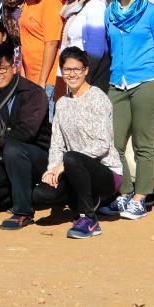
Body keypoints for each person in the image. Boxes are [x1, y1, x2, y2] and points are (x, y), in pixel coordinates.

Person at [100, 0, 154, 221]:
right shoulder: (110, 12)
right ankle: (125, 192)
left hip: (147, 83)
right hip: (117, 84)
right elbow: (110, 46)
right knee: (113, 143)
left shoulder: (151, 12)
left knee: (143, 143)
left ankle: (141, 197)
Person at [32, 47, 123, 239]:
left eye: (77, 69)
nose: (72, 74)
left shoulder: (98, 98)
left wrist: (64, 164)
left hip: (105, 172)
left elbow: (102, 144)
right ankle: (82, 199)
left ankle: (88, 219)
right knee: (41, 196)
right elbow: (57, 143)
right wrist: (52, 169)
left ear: (86, 71)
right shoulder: (62, 103)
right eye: (67, 69)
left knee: (72, 157)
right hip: (73, 169)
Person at [0, 46, 52, 229]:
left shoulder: (33, 93)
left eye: (1, 68)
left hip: (37, 155)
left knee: (13, 148)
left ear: (13, 67)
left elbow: (26, 133)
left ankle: (23, 212)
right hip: (7, 157)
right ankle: (20, 191)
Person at [19, 0, 65, 113]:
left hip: (47, 79)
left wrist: (42, 81)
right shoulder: (28, 2)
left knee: (46, 124)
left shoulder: (52, 3)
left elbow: (51, 44)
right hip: (29, 76)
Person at [58, 0, 110, 88]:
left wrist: (84, 82)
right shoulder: (72, 6)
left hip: (89, 78)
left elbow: (96, 49)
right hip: (74, 75)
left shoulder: (94, 4)